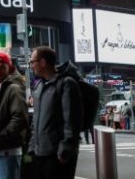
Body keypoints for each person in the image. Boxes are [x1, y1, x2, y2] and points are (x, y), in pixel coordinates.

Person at [28, 46, 82, 179]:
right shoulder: (39, 86)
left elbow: (72, 121)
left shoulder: (66, 84)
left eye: (32, 62)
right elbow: (36, 121)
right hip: (39, 155)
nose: (31, 66)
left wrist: (65, 151)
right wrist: (31, 148)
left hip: (57, 156)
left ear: (42, 62)